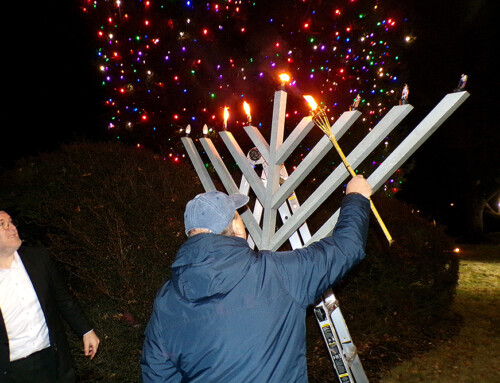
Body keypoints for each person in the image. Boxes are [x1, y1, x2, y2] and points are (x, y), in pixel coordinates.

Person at [141, 175, 372, 382]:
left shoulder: (166, 301)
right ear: (236, 227)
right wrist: (356, 196)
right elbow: (347, 247)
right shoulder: (278, 273)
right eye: (238, 216)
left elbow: (157, 375)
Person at [0, 211, 100, 383]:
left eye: (11, 222)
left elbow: (62, 297)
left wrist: (86, 330)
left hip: (50, 357)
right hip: (10, 370)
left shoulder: (36, 257)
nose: (12, 228)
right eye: (2, 224)